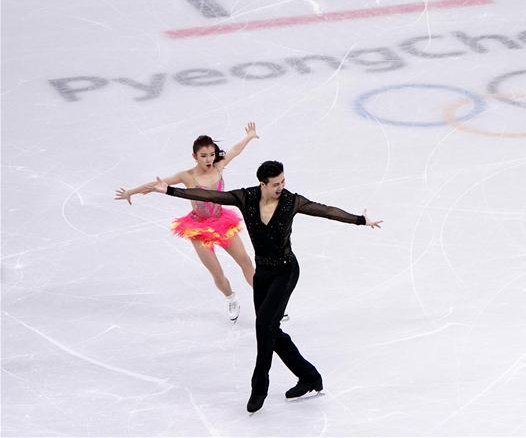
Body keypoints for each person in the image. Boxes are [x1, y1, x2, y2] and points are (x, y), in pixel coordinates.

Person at [148, 160, 382, 413]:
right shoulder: (246, 197)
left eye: (283, 182)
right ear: (263, 184)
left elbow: (323, 210)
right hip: (263, 274)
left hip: (286, 271)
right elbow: (211, 195)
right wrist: (171, 191)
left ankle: (259, 388)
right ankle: (309, 376)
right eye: (276, 184)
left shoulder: (292, 201)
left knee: (263, 326)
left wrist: (359, 220)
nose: (281, 187)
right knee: (272, 330)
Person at [115, 123, 259, 322]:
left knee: (246, 262)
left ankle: (266, 302)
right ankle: (230, 297)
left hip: (222, 222)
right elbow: (156, 184)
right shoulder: (187, 176)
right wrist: (131, 191)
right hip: (199, 229)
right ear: (194, 156)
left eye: (211, 154)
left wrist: (250, 136)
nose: (209, 159)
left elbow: (234, 150)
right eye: (204, 156)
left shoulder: (219, 165)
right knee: (217, 274)